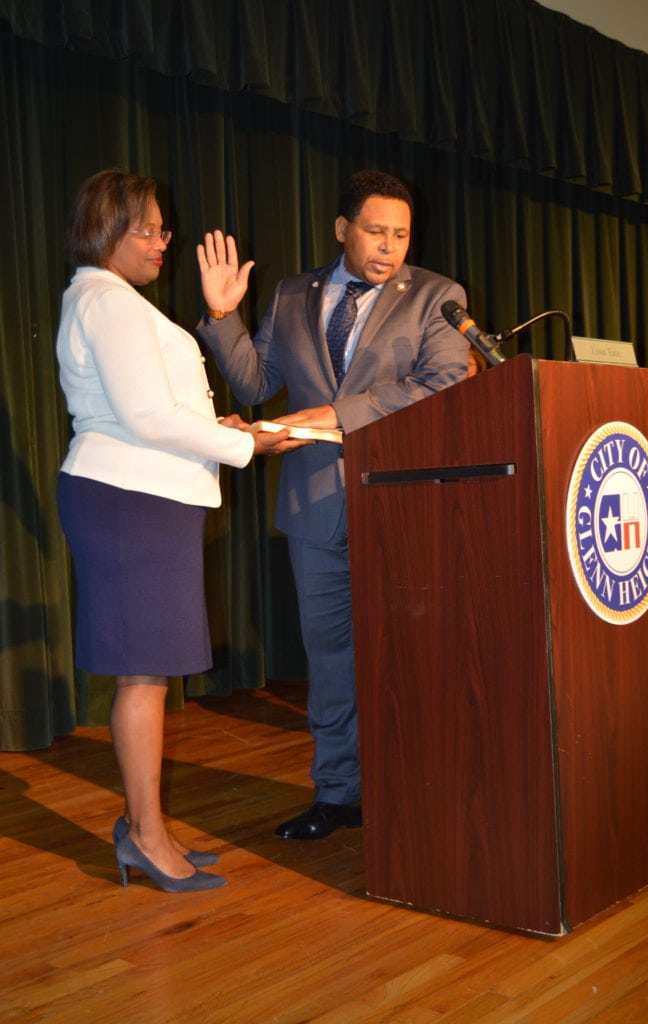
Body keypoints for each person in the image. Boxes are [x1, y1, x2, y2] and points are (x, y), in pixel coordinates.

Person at [196, 170, 469, 840]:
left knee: (416, 654)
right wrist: (224, 316)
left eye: (401, 235)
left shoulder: (437, 296)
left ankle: (424, 792)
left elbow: (446, 381)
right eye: (375, 231)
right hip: (315, 507)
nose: (388, 246)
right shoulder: (292, 294)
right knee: (331, 660)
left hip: (406, 504)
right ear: (342, 228)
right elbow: (257, 384)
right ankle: (339, 796)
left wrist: (341, 414)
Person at [56, 169, 288, 892]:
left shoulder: (108, 301)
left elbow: (154, 411)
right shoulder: (106, 300)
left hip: (141, 493)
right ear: (106, 229)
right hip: (128, 498)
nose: (163, 241)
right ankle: (146, 839)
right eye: (148, 229)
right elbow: (146, 419)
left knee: (148, 672)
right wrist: (249, 444)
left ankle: (145, 825)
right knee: (143, 675)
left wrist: (214, 428)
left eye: (163, 228)